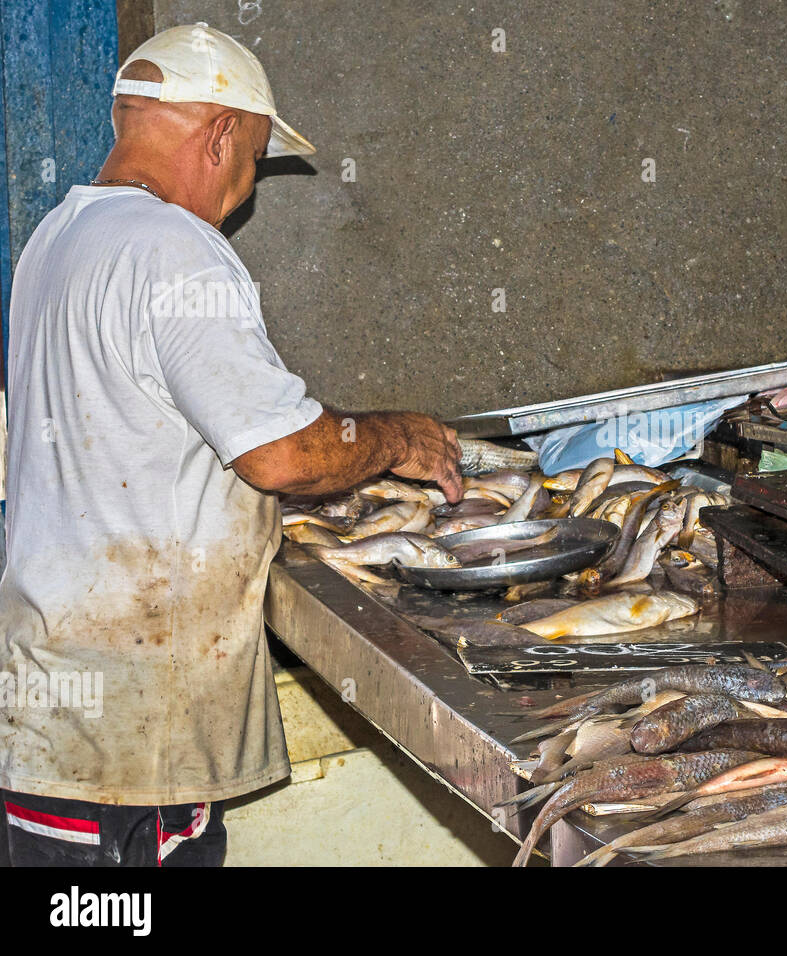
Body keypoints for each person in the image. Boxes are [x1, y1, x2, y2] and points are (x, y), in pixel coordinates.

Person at [0, 22, 462, 866]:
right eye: (252, 161)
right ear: (219, 134)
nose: (244, 191)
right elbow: (280, 455)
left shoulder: (55, 241)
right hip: (127, 744)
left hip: (61, 709)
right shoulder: (176, 250)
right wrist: (394, 437)